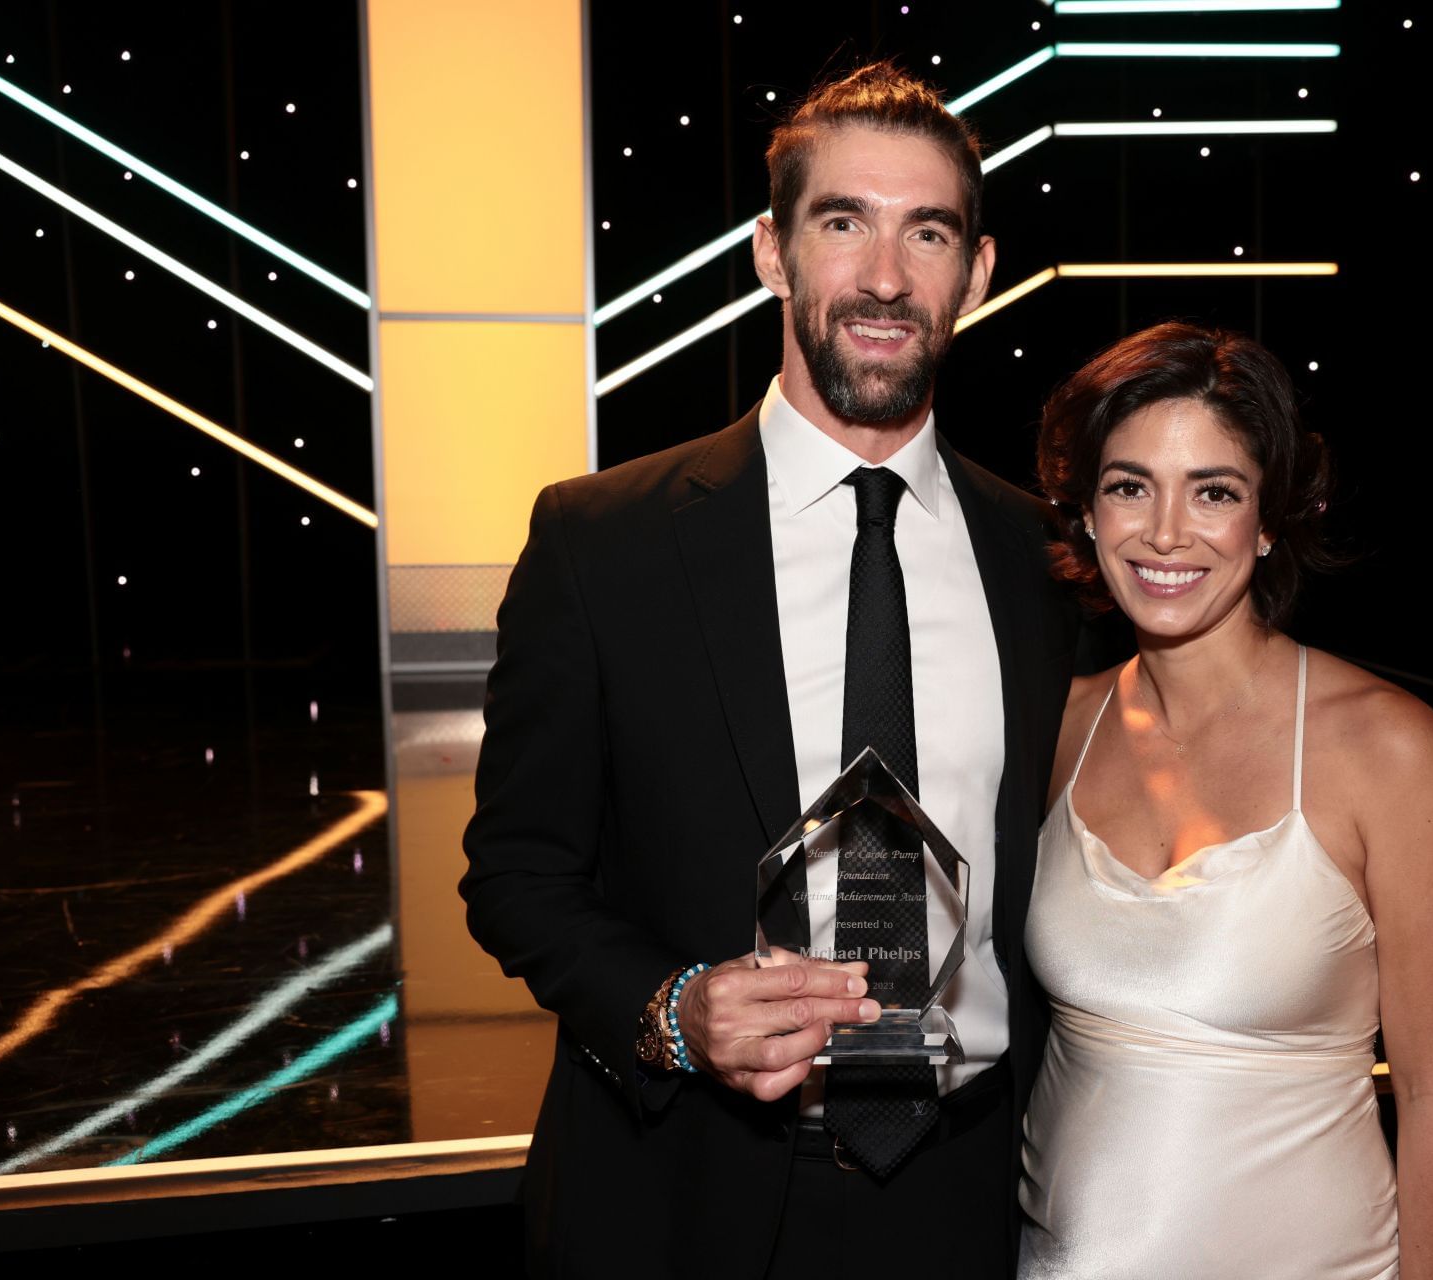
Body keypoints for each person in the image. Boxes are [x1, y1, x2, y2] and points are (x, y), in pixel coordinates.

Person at [460, 64, 1077, 1278]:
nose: (887, 277)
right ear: (771, 252)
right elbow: (518, 872)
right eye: (843, 221)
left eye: (929, 232)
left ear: (981, 270)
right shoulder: (606, 539)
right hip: (677, 1191)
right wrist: (673, 1009)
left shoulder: (1044, 559)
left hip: (969, 1196)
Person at [1016, 323, 1433, 1279]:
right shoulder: (1056, 729)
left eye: (1214, 492)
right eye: (1129, 486)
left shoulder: (1387, 748)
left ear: (1267, 520)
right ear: (1089, 512)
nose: (1164, 533)